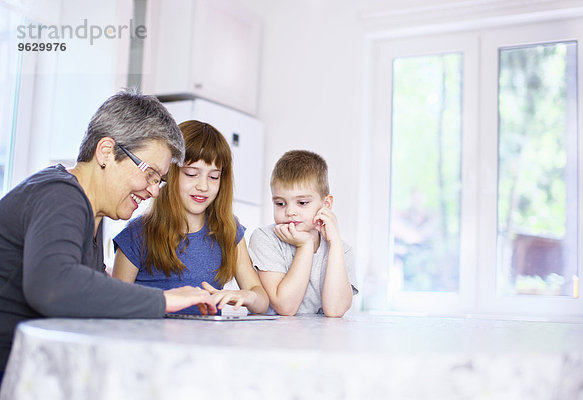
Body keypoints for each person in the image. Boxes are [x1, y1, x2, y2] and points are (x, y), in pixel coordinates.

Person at [0, 91, 217, 378]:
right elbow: (53, 286)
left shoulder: (92, 213)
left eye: (159, 181)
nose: (153, 190)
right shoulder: (59, 195)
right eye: (150, 173)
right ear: (106, 152)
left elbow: (89, 293)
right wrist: (165, 300)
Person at [112, 120, 269, 314]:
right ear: (169, 174)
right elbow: (115, 304)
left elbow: (261, 301)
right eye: (192, 174)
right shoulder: (137, 234)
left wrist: (249, 296)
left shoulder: (229, 231)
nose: (203, 186)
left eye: (213, 177)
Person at [248, 150, 358, 317]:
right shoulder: (265, 238)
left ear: (326, 204)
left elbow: (335, 310)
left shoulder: (342, 250)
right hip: (272, 337)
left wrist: (335, 243)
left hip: (317, 339)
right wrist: (305, 246)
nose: (290, 211)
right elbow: (285, 307)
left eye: (302, 202)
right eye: (280, 203)